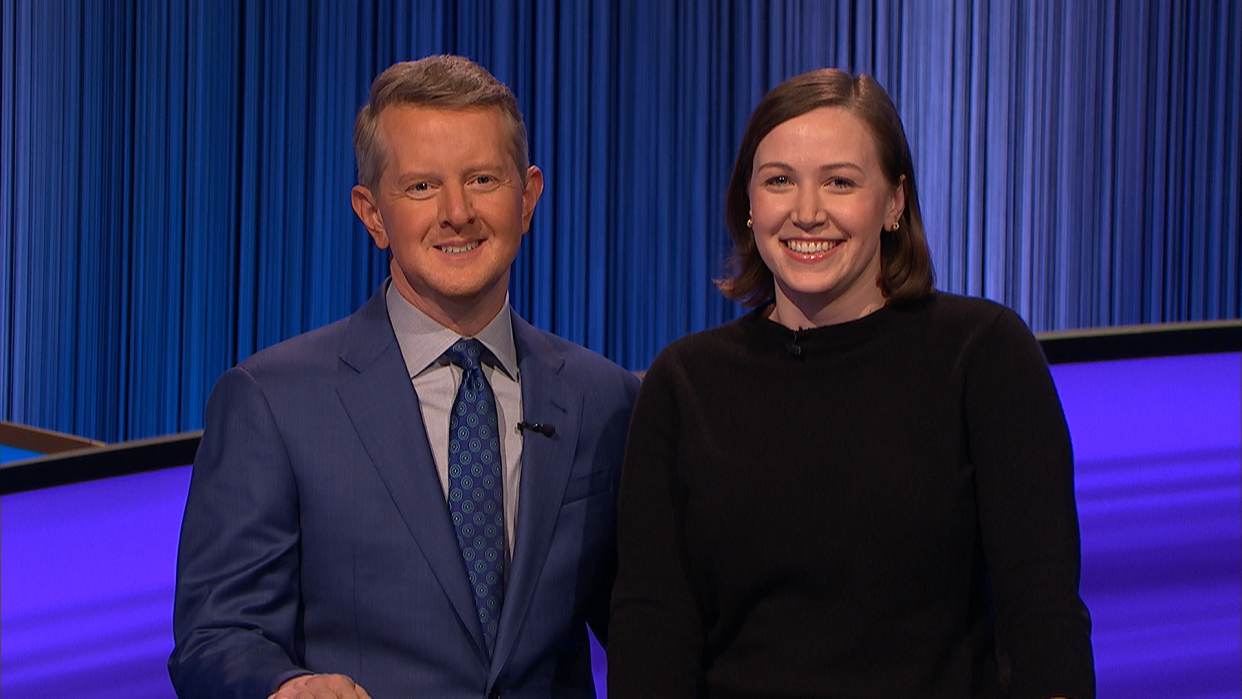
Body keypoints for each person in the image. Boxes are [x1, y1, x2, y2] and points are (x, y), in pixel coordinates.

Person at [607, 68, 1094, 698]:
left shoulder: (984, 353)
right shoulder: (684, 382)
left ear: (893, 201)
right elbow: (652, 627)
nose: (807, 213)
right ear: (748, 206)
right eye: (779, 181)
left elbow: (1041, 607)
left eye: (840, 182)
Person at [169, 55, 639, 699]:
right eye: (421, 187)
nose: (456, 212)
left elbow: (647, 623)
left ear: (527, 198)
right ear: (371, 212)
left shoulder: (604, 396)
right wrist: (282, 686)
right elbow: (215, 635)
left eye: (482, 179)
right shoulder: (271, 401)